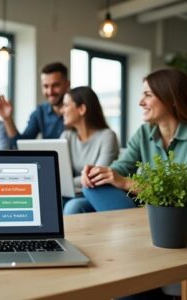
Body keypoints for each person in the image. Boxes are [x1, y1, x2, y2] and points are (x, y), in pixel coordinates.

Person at [71, 69, 187, 300]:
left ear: (171, 98)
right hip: (147, 219)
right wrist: (98, 172)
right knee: (81, 199)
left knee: (82, 200)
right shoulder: (145, 133)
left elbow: (177, 196)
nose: (140, 102)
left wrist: (125, 183)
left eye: (147, 95)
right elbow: (120, 168)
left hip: (176, 222)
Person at [60, 87, 119, 215]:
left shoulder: (107, 136)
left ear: (82, 109)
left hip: (94, 194)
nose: (61, 111)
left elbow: (95, 177)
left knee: (73, 206)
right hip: (69, 193)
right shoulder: (67, 136)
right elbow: (59, 175)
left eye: (65, 105)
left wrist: (66, 182)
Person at [0, 62, 69, 147]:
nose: (50, 92)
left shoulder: (79, 111)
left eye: (55, 85)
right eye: (46, 86)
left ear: (67, 84)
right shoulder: (40, 112)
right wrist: (8, 119)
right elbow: (21, 147)